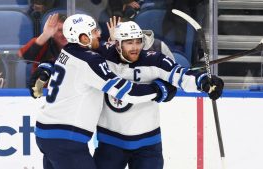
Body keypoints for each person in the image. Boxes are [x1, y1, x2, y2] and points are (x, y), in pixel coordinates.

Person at [29, 14, 177, 169]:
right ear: (83, 38)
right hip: (66, 140)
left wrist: (45, 67)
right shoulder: (91, 60)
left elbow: (68, 62)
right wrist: (159, 90)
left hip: (45, 132)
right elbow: (126, 92)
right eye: (94, 32)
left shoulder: (67, 51)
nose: (99, 34)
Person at [93, 20, 224, 169]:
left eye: (138, 42)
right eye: (129, 43)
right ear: (117, 44)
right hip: (110, 141)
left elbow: (179, 74)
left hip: (147, 143)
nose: (135, 47)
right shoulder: (102, 55)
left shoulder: (154, 59)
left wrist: (203, 81)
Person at [18, 13, 67, 86]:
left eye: (68, 30)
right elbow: (25, 58)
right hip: (43, 92)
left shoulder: (80, 45)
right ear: (52, 33)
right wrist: (45, 35)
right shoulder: (42, 43)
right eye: (60, 30)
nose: (64, 34)